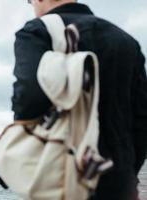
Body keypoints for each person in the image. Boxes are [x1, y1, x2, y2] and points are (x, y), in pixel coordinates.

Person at [12, 0, 147, 199]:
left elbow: (27, 104)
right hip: (119, 181)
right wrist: (125, 170)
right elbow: (142, 119)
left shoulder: (37, 32)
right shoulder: (127, 41)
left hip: (61, 178)